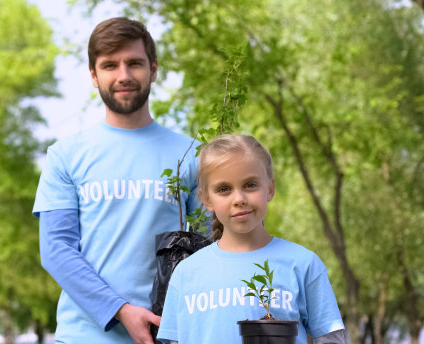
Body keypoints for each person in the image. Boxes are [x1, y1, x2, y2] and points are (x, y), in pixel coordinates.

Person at [32, 17, 202, 344]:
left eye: (134, 63)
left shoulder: (191, 155)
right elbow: (56, 250)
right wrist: (120, 310)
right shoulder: (64, 155)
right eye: (110, 65)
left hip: (168, 335)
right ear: (94, 76)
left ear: (153, 69)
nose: (123, 75)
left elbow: (211, 245)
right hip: (84, 337)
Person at [157, 135, 347, 344]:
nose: (239, 199)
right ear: (206, 199)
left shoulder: (303, 264)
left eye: (250, 185)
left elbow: (332, 339)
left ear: (270, 189)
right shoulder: (185, 273)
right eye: (224, 189)